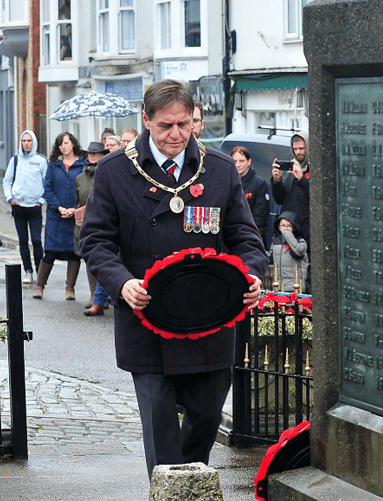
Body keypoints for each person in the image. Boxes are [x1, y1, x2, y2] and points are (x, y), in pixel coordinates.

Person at [79, 79, 267, 478]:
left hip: (210, 321)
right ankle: (171, 489)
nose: (176, 135)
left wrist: (250, 277)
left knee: (204, 419)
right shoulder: (115, 172)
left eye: (184, 124)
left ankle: (184, 484)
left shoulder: (217, 170)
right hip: (147, 322)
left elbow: (246, 239)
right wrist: (121, 282)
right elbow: (95, 241)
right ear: (146, 120)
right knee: (161, 429)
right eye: (166, 126)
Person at [34, 132, 86, 300]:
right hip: (56, 217)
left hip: (75, 215)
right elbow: (47, 189)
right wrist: (59, 208)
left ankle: (70, 288)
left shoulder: (82, 165)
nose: (63, 147)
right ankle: (40, 286)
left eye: (66, 143)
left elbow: (86, 190)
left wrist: (74, 209)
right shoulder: (54, 165)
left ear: (73, 144)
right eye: (60, 144)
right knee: (49, 252)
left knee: (74, 253)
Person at [3, 130, 47, 284]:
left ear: (33, 143)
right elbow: (7, 181)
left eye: (29, 141)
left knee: (36, 240)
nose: (26, 144)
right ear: (21, 143)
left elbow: (47, 182)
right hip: (18, 207)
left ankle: (40, 272)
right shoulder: (15, 160)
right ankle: (28, 271)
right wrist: (10, 198)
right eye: (24, 141)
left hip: (34, 207)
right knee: (23, 241)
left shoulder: (41, 161)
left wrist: (41, 200)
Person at [271, 130, 310, 289]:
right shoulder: (291, 171)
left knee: (308, 273)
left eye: (302, 148)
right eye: (295, 149)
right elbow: (280, 199)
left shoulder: (316, 168)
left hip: (307, 230)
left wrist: (301, 178)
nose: (298, 152)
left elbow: (316, 197)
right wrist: (277, 180)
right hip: (289, 229)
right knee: (289, 273)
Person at [74, 141, 108, 311]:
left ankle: (103, 297)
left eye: (96, 153)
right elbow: (76, 199)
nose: (92, 156)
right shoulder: (80, 177)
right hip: (87, 222)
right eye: (90, 153)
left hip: (106, 220)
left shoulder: (109, 172)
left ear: (103, 155)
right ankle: (95, 296)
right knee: (90, 257)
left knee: (107, 256)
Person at [231, 146, 270, 249]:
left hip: (251, 238)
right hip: (230, 237)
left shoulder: (259, 183)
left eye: (241, 161)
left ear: (249, 162)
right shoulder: (227, 182)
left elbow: (260, 217)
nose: (238, 165)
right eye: (234, 161)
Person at [270, 211, 308, 293]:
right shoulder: (276, 241)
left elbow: (299, 251)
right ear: (279, 227)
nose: (285, 228)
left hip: (295, 288)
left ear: (294, 228)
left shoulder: (300, 241)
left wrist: (287, 234)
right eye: (283, 225)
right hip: (279, 287)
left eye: (289, 226)